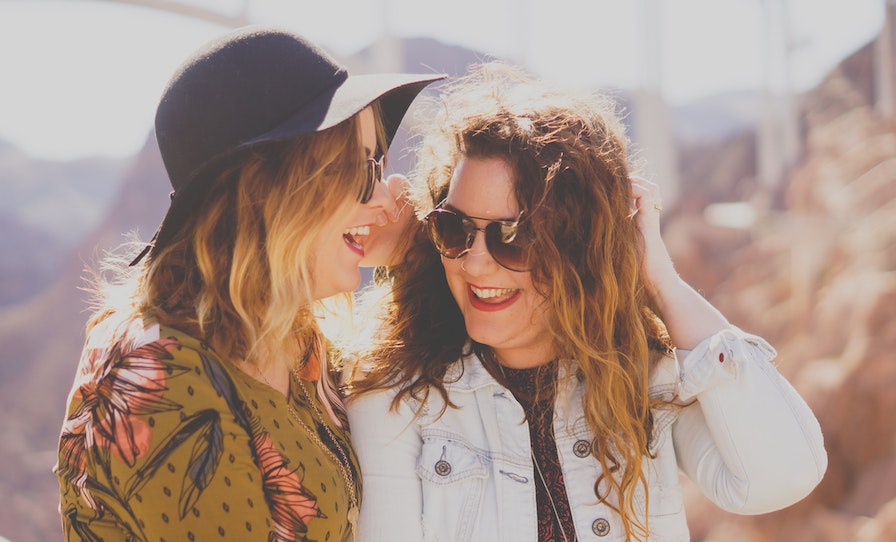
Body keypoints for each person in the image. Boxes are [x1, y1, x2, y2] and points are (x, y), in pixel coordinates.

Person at [344, 62, 827, 541]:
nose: (474, 263)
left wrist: (660, 279)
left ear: (579, 248)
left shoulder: (641, 381)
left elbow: (780, 476)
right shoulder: (397, 397)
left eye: (513, 235)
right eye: (456, 229)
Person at [53, 25, 443, 542]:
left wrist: (421, 252)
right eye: (362, 169)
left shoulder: (294, 337)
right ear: (269, 189)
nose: (385, 200)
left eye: (380, 166)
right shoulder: (159, 374)